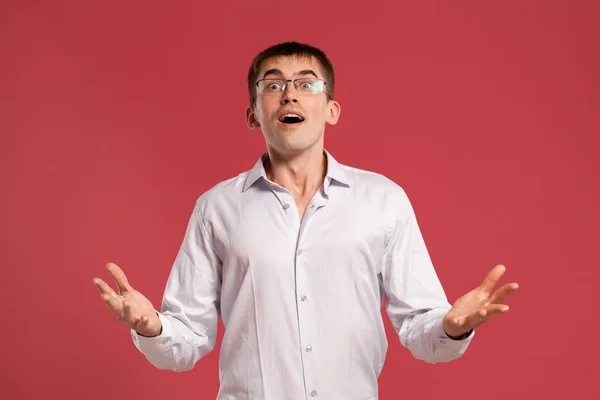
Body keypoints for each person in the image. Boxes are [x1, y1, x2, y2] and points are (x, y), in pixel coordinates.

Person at [93, 41, 518, 400]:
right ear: (253, 114)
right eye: (273, 85)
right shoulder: (216, 208)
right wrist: (152, 328)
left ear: (331, 110)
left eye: (306, 84)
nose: (290, 95)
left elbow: (423, 332)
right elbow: (186, 341)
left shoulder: (383, 200)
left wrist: (452, 327)